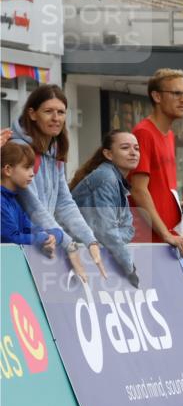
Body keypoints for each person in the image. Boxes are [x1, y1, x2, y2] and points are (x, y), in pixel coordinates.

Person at [10, 84, 106, 281]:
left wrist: (90, 240)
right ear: (32, 114)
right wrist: (69, 244)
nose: (56, 118)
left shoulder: (54, 148)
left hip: (43, 243)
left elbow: (64, 203)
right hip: (17, 246)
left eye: (61, 112)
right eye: (48, 111)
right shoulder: (18, 149)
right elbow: (33, 207)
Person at [130, 68, 183, 258]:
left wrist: (182, 233)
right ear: (156, 96)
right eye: (176, 93)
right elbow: (138, 190)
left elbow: (164, 192)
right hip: (148, 244)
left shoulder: (170, 135)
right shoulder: (144, 133)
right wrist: (166, 234)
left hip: (167, 242)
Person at [69, 130, 142, 285]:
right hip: (71, 256)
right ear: (108, 154)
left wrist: (112, 238)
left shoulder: (115, 179)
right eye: (125, 148)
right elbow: (107, 232)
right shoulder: (106, 177)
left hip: (88, 254)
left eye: (136, 148)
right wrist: (130, 267)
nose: (133, 153)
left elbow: (128, 229)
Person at [1, 143, 66, 259]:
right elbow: (11, 238)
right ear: (8, 170)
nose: (32, 173)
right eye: (27, 167)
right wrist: (42, 238)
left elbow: (31, 229)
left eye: (32, 168)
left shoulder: (14, 201)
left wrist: (54, 236)